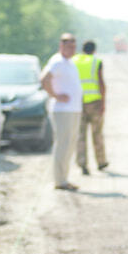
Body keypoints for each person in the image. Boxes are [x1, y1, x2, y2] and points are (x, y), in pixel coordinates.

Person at [40, 33, 84, 191]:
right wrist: (55, 95)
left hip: (73, 109)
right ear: (61, 46)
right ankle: (59, 180)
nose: (72, 49)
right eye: (68, 46)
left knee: (70, 144)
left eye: (73, 46)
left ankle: (64, 178)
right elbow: (44, 79)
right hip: (63, 110)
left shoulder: (69, 62)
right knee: (63, 145)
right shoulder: (57, 61)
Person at [73, 40, 108, 175]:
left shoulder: (74, 60)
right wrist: (103, 102)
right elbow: (101, 83)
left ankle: (82, 164)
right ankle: (101, 161)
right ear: (94, 50)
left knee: (80, 135)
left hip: (78, 103)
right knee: (97, 133)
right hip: (94, 102)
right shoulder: (96, 61)